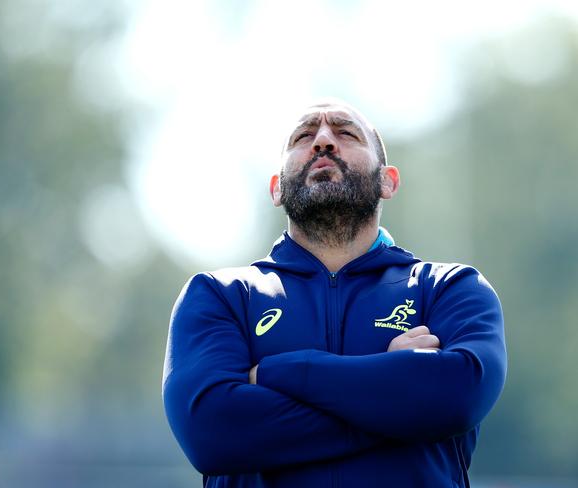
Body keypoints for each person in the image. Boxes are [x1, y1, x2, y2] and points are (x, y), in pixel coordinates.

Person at [162, 99, 507, 487]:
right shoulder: (219, 296)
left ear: (387, 180)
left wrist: (278, 372)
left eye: (346, 133)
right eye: (304, 136)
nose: (323, 141)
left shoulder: (449, 288)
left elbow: (454, 398)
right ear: (276, 188)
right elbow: (212, 434)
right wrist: (394, 395)